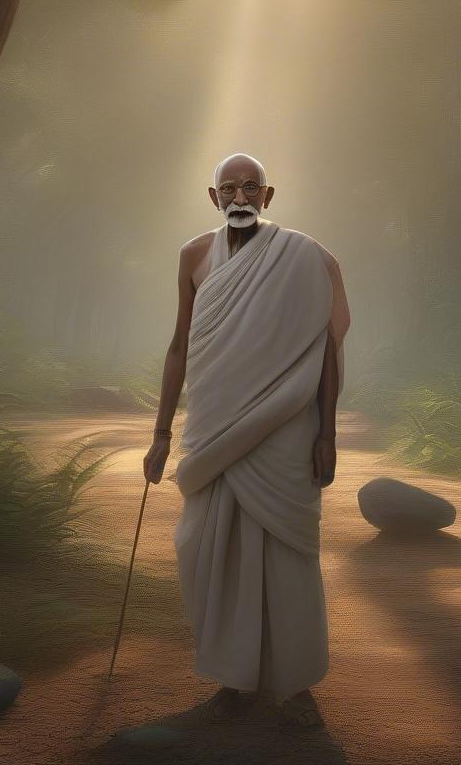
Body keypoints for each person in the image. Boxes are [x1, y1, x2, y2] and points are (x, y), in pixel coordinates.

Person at [142, 152, 350, 730]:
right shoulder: (194, 255)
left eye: (251, 188)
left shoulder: (309, 258)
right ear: (214, 199)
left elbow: (326, 351)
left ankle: (292, 675)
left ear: (268, 195)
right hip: (212, 427)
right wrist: (161, 432)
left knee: (284, 552)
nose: (240, 197)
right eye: (228, 188)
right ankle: (234, 675)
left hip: (286, 430)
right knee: (204, 545)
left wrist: (327, 434)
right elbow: (179, 347)